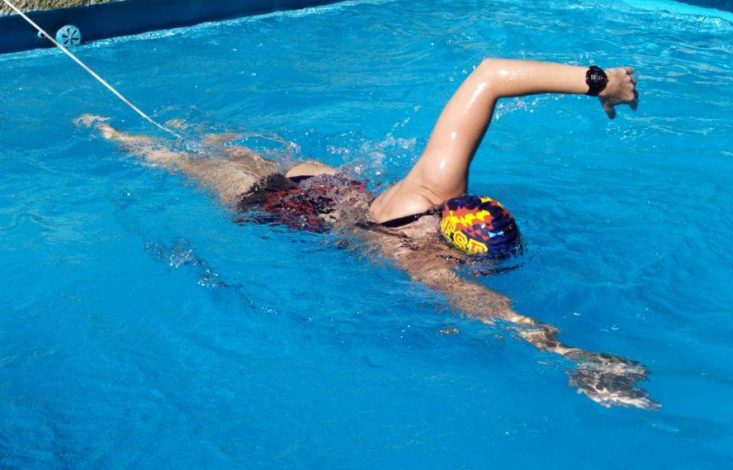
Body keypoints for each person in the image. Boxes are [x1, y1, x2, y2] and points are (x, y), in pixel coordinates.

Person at [78, 58, 655, 409]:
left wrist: (597, 82)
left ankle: (177, 129)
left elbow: (490, 75)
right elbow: (496, 312)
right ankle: (108, 132)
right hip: (277, 205)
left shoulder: (435, 189)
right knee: (179, 161)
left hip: (330, 181)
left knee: (230, 147)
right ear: (464, 247)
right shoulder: (424, 262)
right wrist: (574, 358)